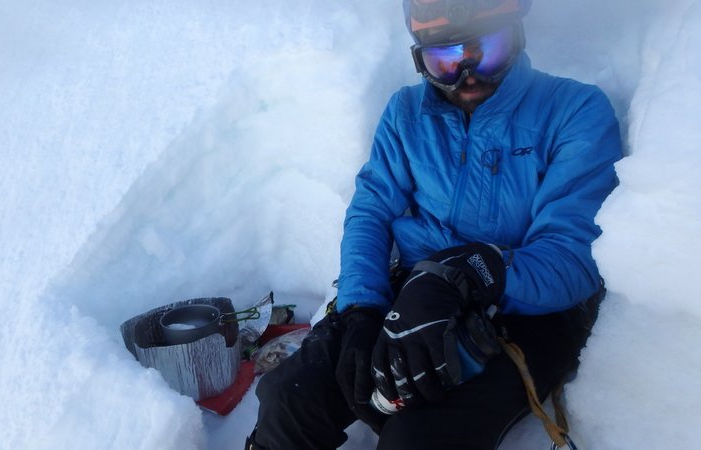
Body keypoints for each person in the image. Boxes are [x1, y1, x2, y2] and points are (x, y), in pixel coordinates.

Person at [247, 0, 622, 448]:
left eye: (487, 51)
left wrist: (466, 273)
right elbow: (371, 211)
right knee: (292, 397)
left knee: (420, 438)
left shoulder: (574, 110)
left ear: (517, 37)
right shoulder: (407, 113)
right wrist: (361, 310)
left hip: (526, 311)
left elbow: (574, 259)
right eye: (443, 61)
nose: (468, 76)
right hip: (414, 291)